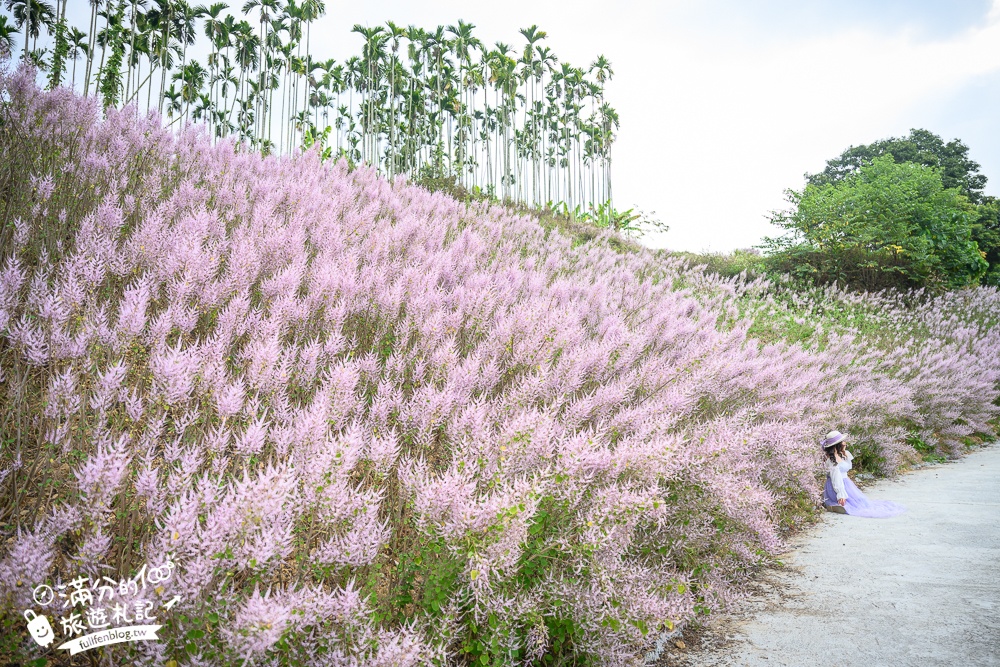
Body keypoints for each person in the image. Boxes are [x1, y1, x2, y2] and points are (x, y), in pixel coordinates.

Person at [822, 430, 906, 518]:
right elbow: (836, 479)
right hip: (836, 486)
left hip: (846, 483)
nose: (844, 443)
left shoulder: (840, 455)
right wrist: (840, 495)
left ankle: (838, 505)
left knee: (861, 501)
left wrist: (844, 452)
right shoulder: (831, 460)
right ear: (837, 445)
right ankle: (836, 504)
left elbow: (847, 467)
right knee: (851, 503)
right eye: (842, 442)